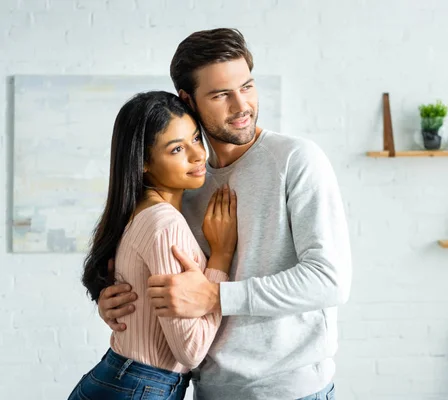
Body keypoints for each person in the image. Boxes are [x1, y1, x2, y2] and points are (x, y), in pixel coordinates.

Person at [97, 28, 352, 400]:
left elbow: (330, 280)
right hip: (209, 389)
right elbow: (177, 291)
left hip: (291, 391)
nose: (241, 106)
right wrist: (119, 303)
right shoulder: (188, 180)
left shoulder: (297, 160)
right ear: (189, 99)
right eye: (221, 95)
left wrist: (217, 296)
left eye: (247, 87)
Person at [68, 91, 238, 400]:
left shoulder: (142, 211)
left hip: (122, 380)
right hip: (138, 388)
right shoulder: (164, 224)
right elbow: (191, 351)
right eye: (176, 148)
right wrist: (222, 258)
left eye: (196, 139)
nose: (198, 155)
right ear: (144, 162)